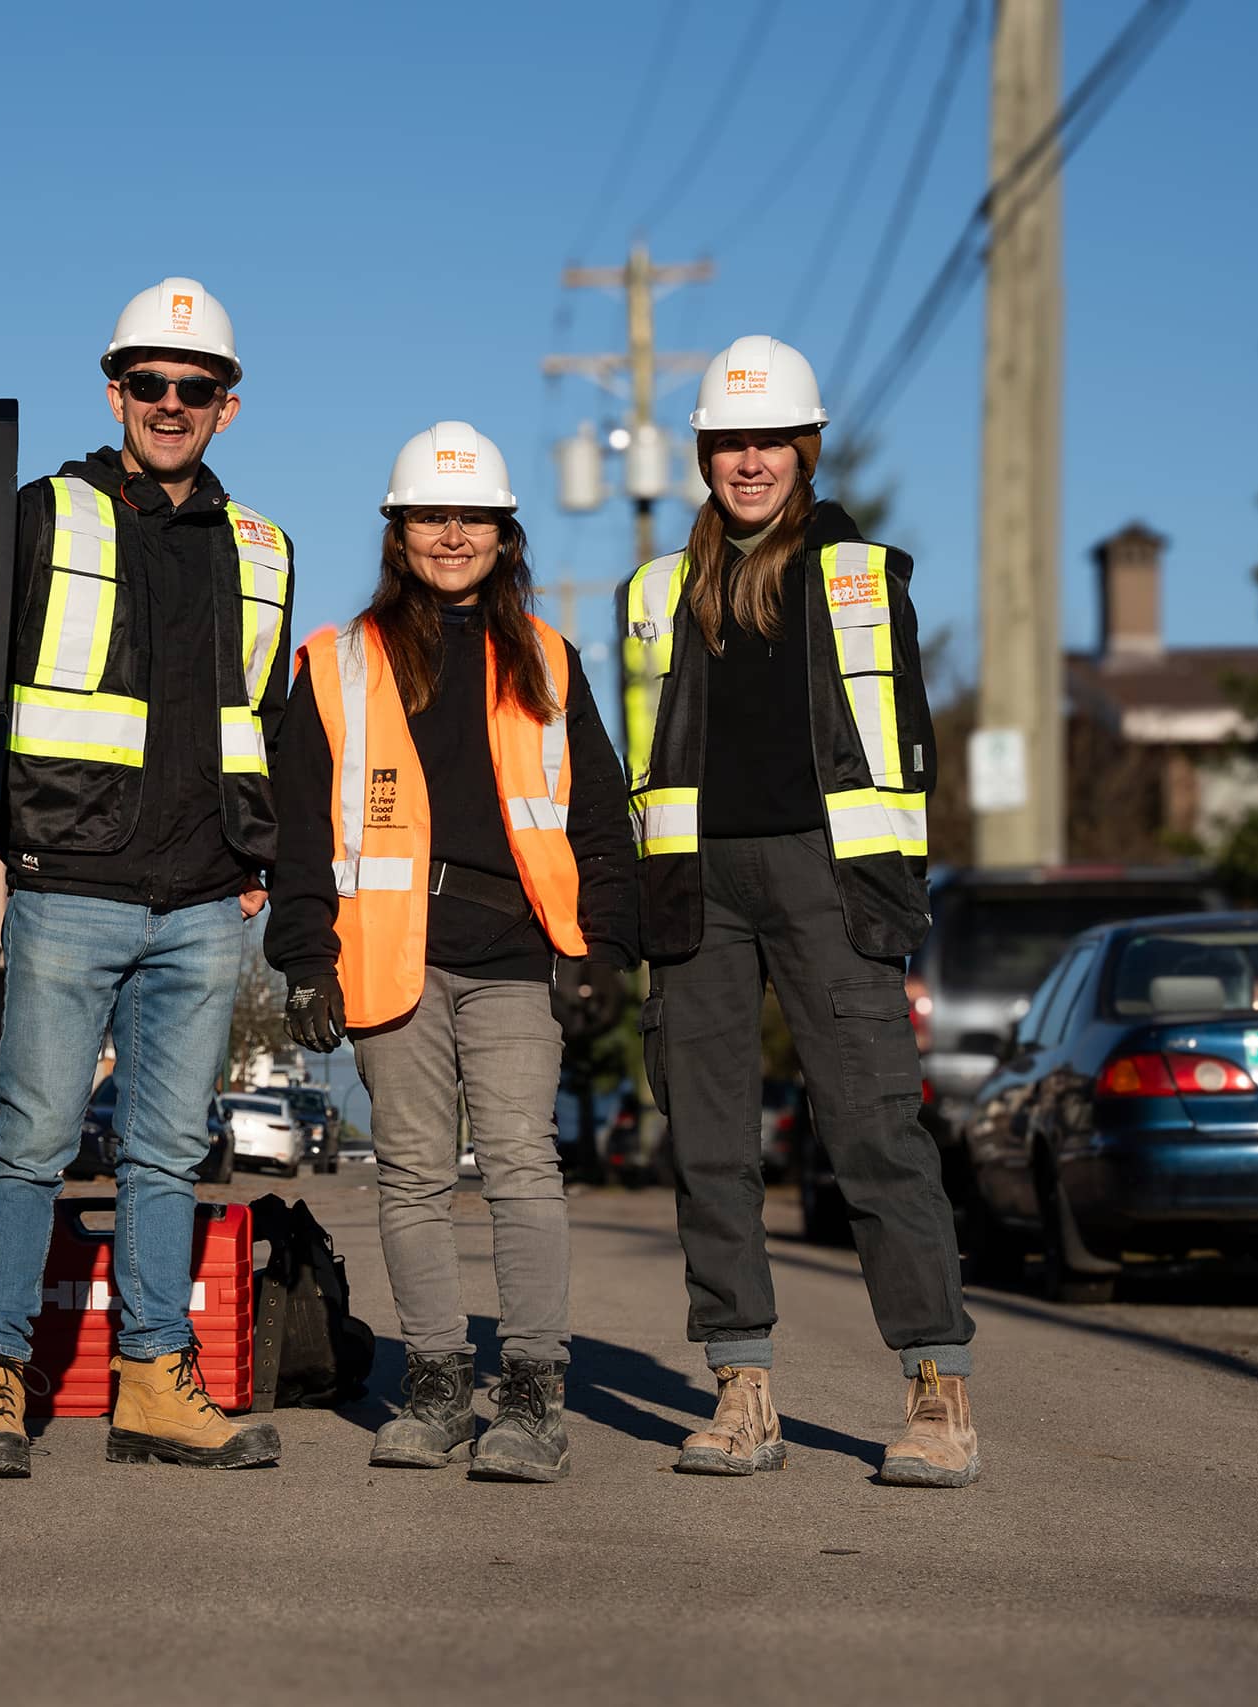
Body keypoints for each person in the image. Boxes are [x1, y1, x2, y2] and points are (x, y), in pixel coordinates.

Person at [0, 277, 292, 1478]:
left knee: (165, 1153)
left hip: (199, 901)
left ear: (227, 407)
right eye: (149, 384)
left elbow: (268, 719)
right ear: (115, 392)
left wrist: (258, 859)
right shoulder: (44, 516)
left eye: (195, 388)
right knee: (28, 1139)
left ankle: (151, 1377)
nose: (170, 404)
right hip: (69, 883)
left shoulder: (263, 549)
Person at [621, 335, 980, 1487]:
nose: (749, 459)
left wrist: (895, 890)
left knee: (874, 1131)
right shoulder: (655, 594)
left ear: (805, 450)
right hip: (697, 889)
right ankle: (742, 1390)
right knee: (711, 1144)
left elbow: (910, 748)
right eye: (729, 442)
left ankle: (936, 1391)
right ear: (703, 455)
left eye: (769, 439)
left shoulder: (864, 577)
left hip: (830, 881)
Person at [266, 423, 636, 1482]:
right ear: (398, 531)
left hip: (518, 952)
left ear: (504, 533)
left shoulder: (551, 661)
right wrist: (303, 958)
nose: (452, 534)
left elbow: (600, 822)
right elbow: (299, 828)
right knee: (414, 1174)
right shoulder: (336, 662)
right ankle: (433, 1387)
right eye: (432, 515)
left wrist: (605, 947)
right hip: (389, 954)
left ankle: (530, 1395)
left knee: (522, 1166)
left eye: (472, 516)